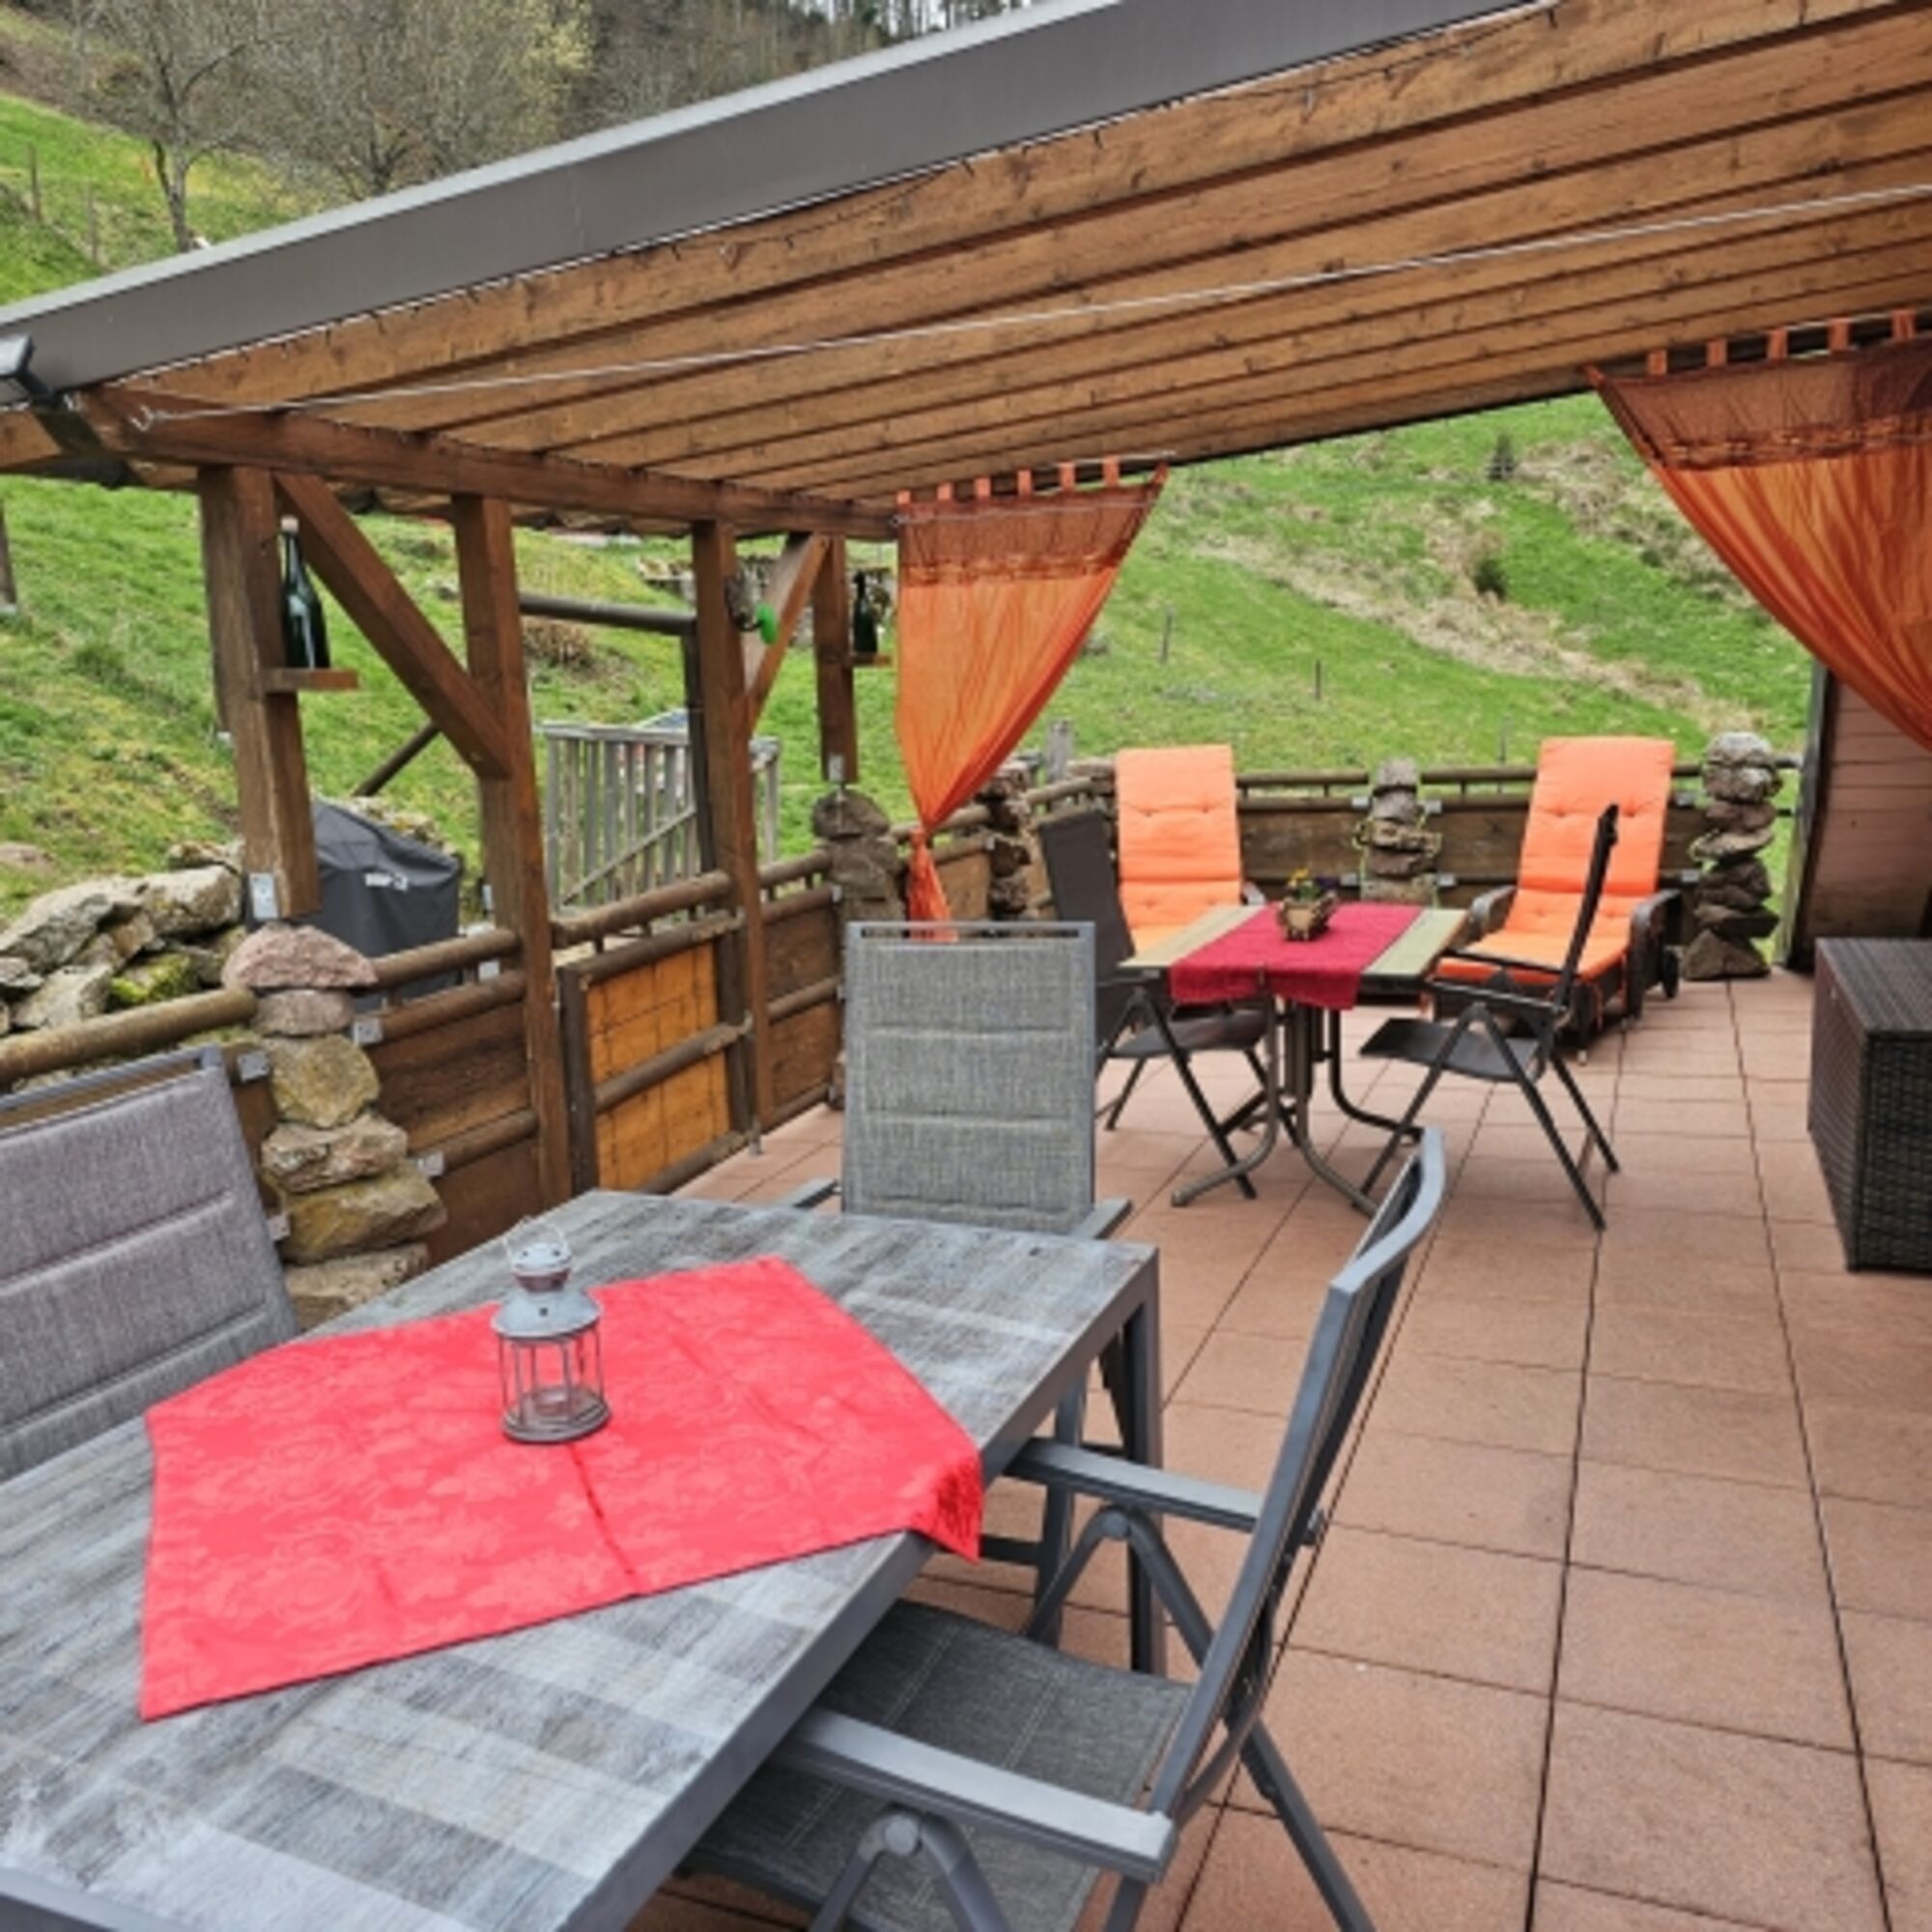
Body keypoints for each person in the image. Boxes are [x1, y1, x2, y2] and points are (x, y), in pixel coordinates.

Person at [851, 571, 880, 659]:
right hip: (868, 647)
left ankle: (862, 647)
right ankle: (865, 647)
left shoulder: (861, 603)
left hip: (862, 648)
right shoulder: (864, 602)